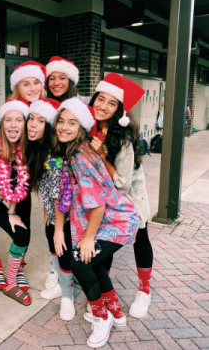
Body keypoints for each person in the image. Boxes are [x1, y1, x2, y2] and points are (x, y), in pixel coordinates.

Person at [53, 97, 139, 348]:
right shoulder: (69, 151)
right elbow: (65, 192)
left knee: (79, 263)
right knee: (93, 262)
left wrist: (88, 238)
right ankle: (116, 312)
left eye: (72, 123)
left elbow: (98, 203)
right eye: (61, 121)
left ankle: (102, 318)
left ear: (81, 128)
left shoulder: (80, 156)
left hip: (117, 220)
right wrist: (60, 228)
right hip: (105, 220)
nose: (64, 127)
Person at [88, 73, 152, 318]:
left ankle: (145, 290)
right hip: (104, 198)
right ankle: (104, 293)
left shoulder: (123, 136)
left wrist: (103, 156)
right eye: (100, 99)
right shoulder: (91, 127)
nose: (103, 106)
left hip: (129, 197)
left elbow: (123, 184)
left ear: (120, 110)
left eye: (112, 103)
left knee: (141, 237)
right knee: (106, 243)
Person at [0, 60, 47, 292]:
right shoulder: (9, 110)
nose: (32, 88)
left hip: (23, 176)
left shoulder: (43, 111)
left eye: (36, 83)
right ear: (17, 88)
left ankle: (18, 266)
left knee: (23, 226)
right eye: (26, 84)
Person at [24, 98, 76, 320]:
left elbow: (60, 191)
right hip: (53, 211)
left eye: (41, 120)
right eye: (31, 118)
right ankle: (60, 286)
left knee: (62, 249)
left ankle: (68, 296)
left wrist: (58, 227)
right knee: (53, 248)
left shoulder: (54, 152)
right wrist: (47, 211)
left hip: (66, 213)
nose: (32, 125)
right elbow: (45, 186)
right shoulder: (36, 148)